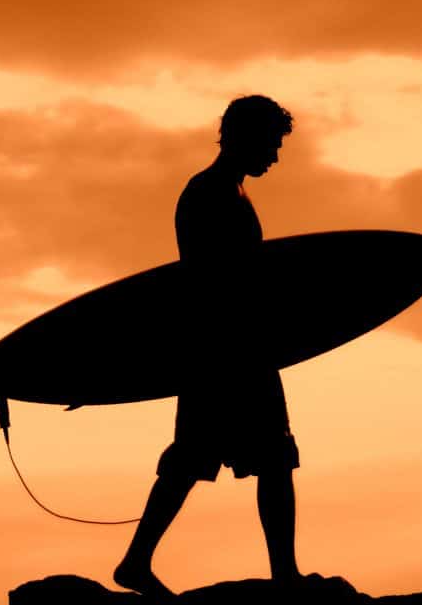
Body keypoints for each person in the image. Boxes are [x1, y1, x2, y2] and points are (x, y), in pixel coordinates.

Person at [113, 94, 304, 596]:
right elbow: (210, 278)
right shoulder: (210, 192)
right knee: (263, 458)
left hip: (227, 349)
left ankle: (136, 561)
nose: (275, 156)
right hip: (226, 351)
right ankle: (283, 576)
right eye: (271, 143)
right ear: (244, 136)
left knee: (199, 459)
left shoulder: (230, 190)